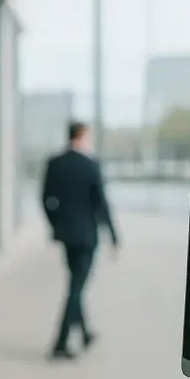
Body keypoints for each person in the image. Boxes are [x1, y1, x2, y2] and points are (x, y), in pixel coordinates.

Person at [41, 121, 119, 359]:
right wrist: (114, 236)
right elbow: (102, 202)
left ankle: (84, 333)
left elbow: (45, 198)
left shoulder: (55, 163)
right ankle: (60, 343)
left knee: (76, 283)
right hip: (87, 236)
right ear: (83, 136)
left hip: (66, 235)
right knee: (76, 288)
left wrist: (56, 224)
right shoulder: (90, 165)